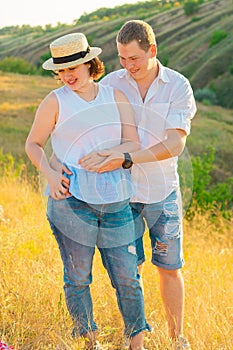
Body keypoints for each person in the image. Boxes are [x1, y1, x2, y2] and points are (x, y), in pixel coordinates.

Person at [25, 32, 151, 350]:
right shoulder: (55, 101)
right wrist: (52, 175)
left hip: (116, 200)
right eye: (61, 70)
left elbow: (132, 143)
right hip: (71, 201)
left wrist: (112, 158)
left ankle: (137, 344)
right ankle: (88, 341)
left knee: (127, 277)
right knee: (78, 277)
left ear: (89, 63)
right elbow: (33, 144)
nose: (67, 75)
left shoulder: (115, 97)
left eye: (73, 67)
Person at [79, 20, 197, 350]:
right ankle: (136, 339)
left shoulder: (177, 86)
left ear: (153, 51)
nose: (128, 67)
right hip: (121, 193)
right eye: (122, 59)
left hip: (163, 192)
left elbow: (175, 144)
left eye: (135, 59)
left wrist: (128, 159)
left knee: (169, 268)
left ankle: (178, 339)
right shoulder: (113, 83)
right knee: (129, 271)